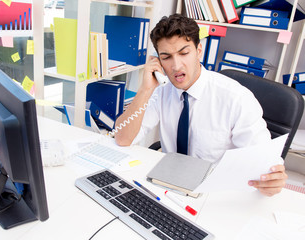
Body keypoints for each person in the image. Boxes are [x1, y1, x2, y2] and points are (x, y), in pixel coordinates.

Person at [114, 14, 287, 197]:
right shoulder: (161, 90)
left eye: (184, 53)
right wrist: (144, 89)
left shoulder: (236, 98)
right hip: (168, 185)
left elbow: (264, 165)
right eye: (166, 57)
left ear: (199, 51)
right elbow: (123, 139)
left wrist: (272, 179)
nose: (176, 66)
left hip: (214, 193)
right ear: (158, 61)